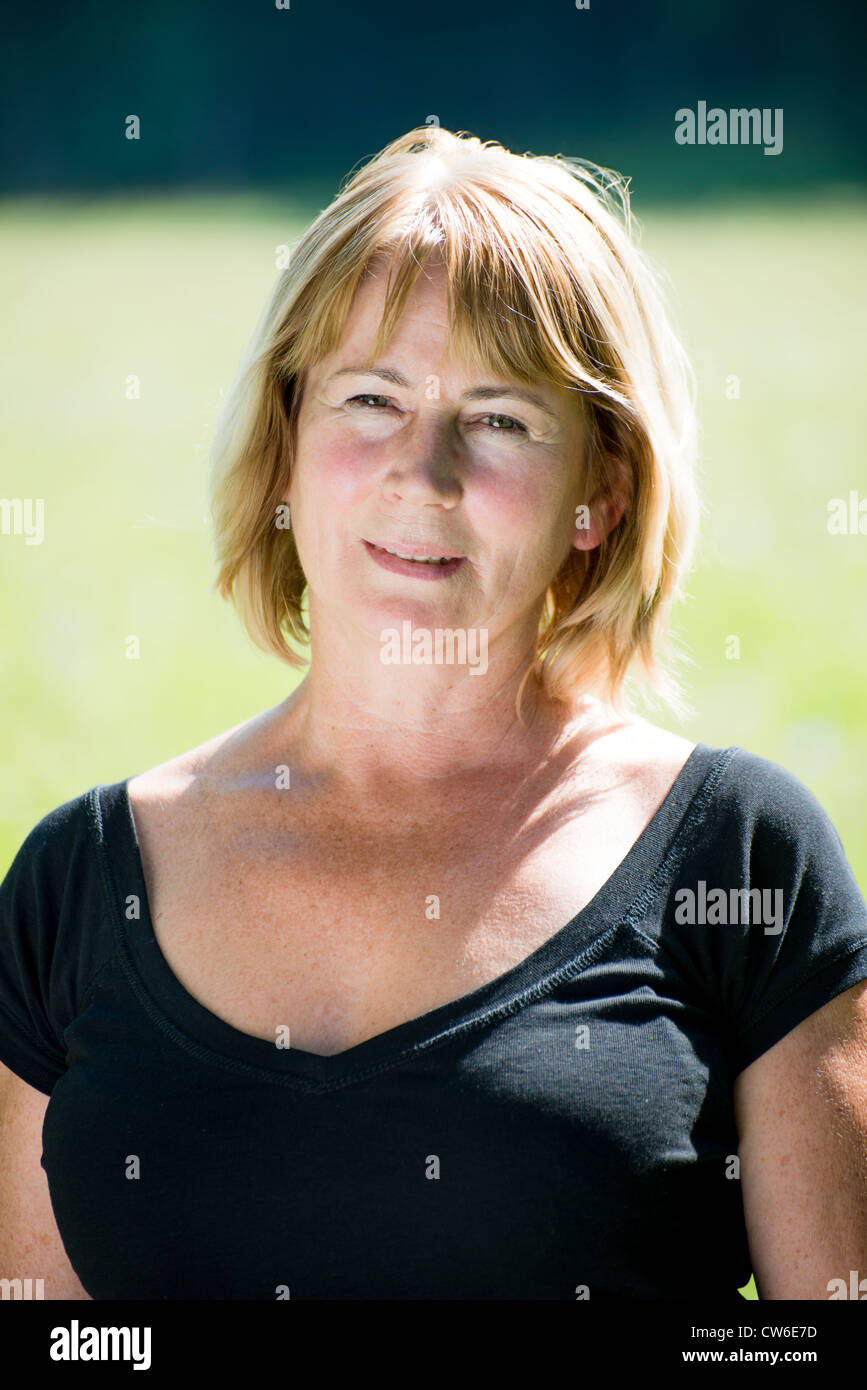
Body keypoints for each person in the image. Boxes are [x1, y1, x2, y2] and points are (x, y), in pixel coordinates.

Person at [1, 125, 866, 1302]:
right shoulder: (77, 884)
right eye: (371, 399)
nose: (426, 471)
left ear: (598, 497)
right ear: (287, 448)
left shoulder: (744, 853)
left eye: (501, 418)